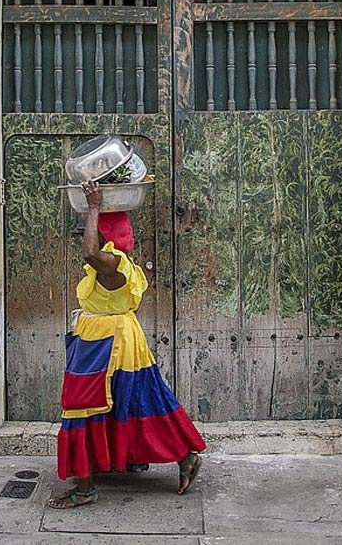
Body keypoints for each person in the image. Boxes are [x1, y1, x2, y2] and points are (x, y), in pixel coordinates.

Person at [49, 180, 206, 509]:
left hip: (104, 347)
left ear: (106, 238)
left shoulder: (112, 266)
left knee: (82, 406)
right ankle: (184, 457)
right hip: (118, 341)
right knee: (135, 402)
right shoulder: (124, 265)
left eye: (95, 230)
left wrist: (93, 206)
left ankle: (86, 488)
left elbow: (89, 252)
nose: (88, 234)